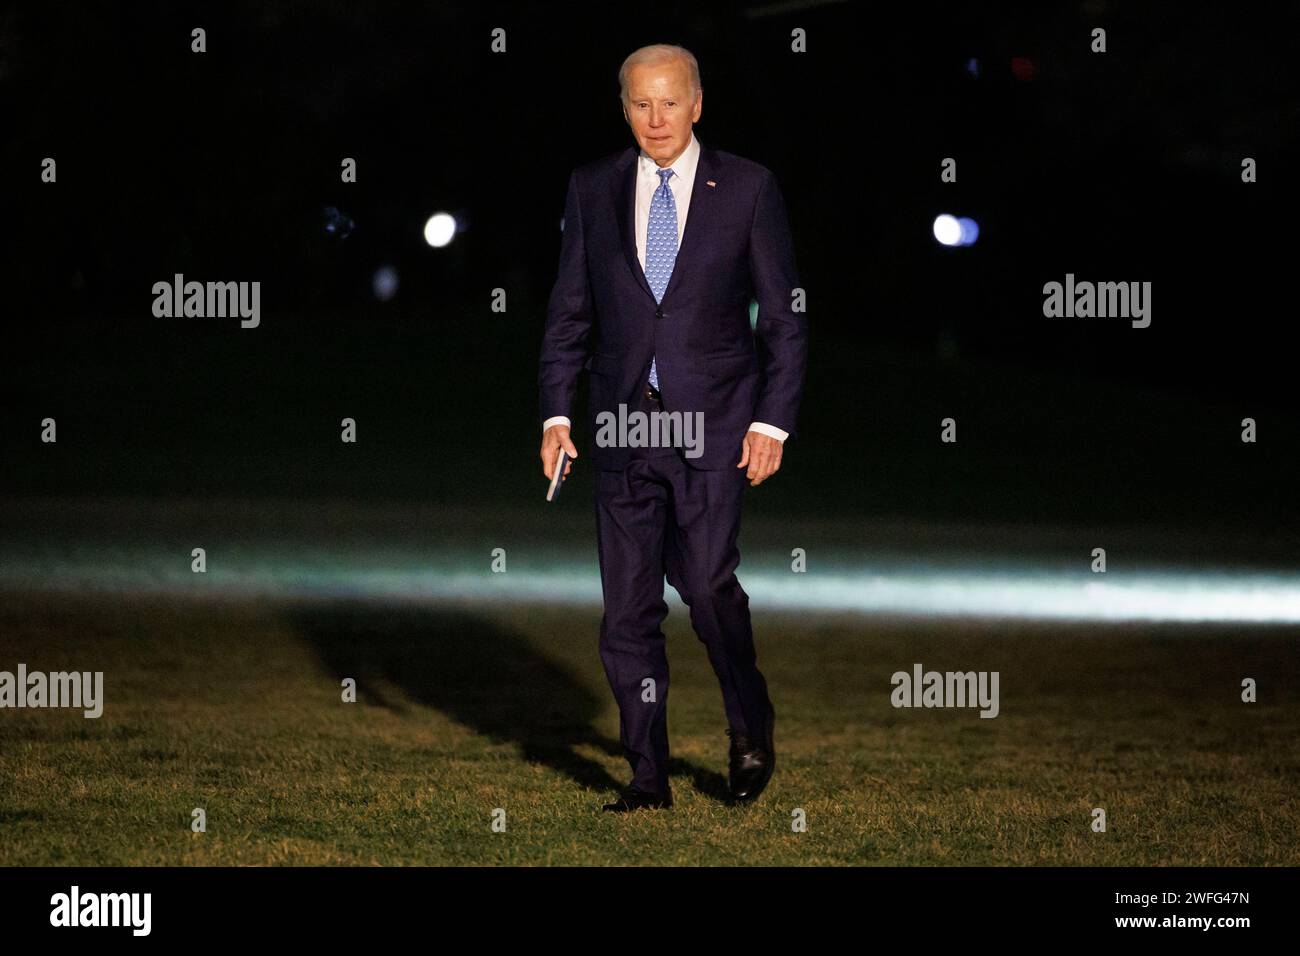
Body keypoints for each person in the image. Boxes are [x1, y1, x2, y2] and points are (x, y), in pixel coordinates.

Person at [537, 43, 808, 811]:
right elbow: (570, 312)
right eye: (639, 103)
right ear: (623, 106)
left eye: (669, 102)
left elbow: (785, 320)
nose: (654, 119)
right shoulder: (592, 187)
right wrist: (558, 413)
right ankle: (647, 778)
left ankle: (750, 728)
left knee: (710, 591)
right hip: (622, 425)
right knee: (626, 612)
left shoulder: (748, 188)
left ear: (696, 104)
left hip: (713, 427)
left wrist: (772, 424)